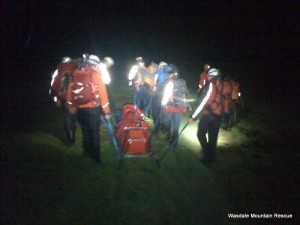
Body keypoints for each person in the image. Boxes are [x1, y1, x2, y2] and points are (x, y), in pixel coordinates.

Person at [66, 55, 111, 163]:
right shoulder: (95, 74)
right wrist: (106, 111)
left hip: (79, 109)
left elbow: (69, 90)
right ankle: (96, 157)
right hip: (92, 109)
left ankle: (86, 152)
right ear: (96, 64)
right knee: (94, 132)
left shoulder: (76, 73)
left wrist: (70, 106)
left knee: (85, 130)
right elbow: (102, 93)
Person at [188, 67, 223, 166]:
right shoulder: (221, 85)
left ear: (210, 76)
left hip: (209, 115)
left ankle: (208, 154)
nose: (207, 77)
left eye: (208, 75)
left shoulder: (211, 86)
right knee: (213, 137)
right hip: (219, 116)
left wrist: (193, 116)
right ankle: (211, 157)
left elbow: (202, 102)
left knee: (200, 134)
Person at [50, 56, 77, 144]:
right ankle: (73, 133)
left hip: (64, 98)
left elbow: (54, 86)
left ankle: (70, 138)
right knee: (73, 115)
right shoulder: (75, 69)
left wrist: (57, 98)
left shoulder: (59, 71)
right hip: (74, 98)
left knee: (66, 117)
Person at [161, 69, 188, 144]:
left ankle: (168, 133)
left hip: (170, 107)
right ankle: (175, 141)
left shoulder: (170, 83)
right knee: (176, 126)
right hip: (180, 108)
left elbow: (166, 96)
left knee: (166, 121)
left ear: (171, 75)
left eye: (168, 75)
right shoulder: (182, 82)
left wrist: (163, 104)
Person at [151, 61, 172, 131]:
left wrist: (154, 85)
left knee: (155, 111)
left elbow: (155, 77)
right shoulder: (169, 72)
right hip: (166, 94)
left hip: (159, 93)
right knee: (165, 111)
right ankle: (165, 128)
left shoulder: (160, 71)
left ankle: (157, 127)